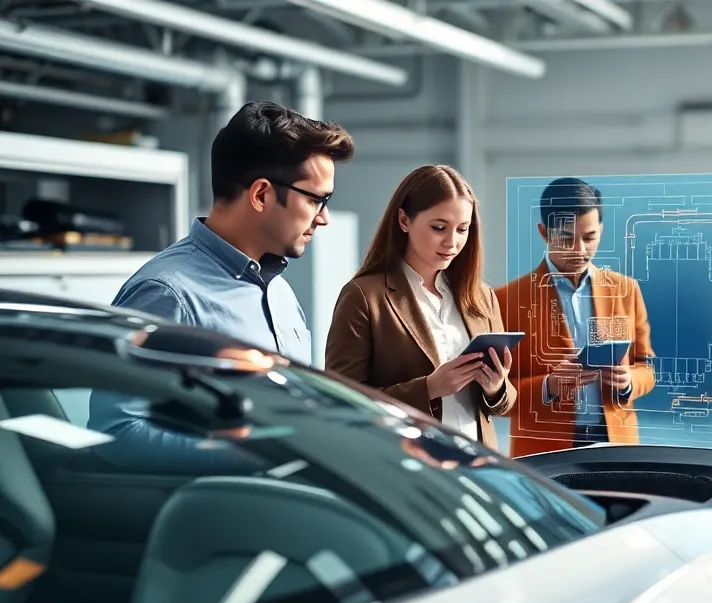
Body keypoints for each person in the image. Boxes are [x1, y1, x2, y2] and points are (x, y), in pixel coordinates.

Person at [88, 100, 354, 470]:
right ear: (261, 195)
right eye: (316, 200)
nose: (323, 218)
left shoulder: (279, 291)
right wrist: (248, 454)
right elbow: (117, 431)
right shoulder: (168, 293)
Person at [325, 165, 516, 452]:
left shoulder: (482, 297)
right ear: (404, 220)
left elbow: (506, 402)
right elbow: (341, 402)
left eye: (462, 229)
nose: (452, 242)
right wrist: (428, 389)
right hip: (405, 463)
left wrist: (496, 387)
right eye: (439, 228)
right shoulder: (364, 296)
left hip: (476, 463)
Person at [495, 177, 655, 457]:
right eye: (567, 238)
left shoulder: (626, 290)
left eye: (590, 237)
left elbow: (647, 367)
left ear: (601, 230)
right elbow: (494, 394)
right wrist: (548, 386)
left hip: (617, 444)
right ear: (544, 233)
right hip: (543, 452)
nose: (580, 250)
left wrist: (629, 381)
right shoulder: (505, 300)